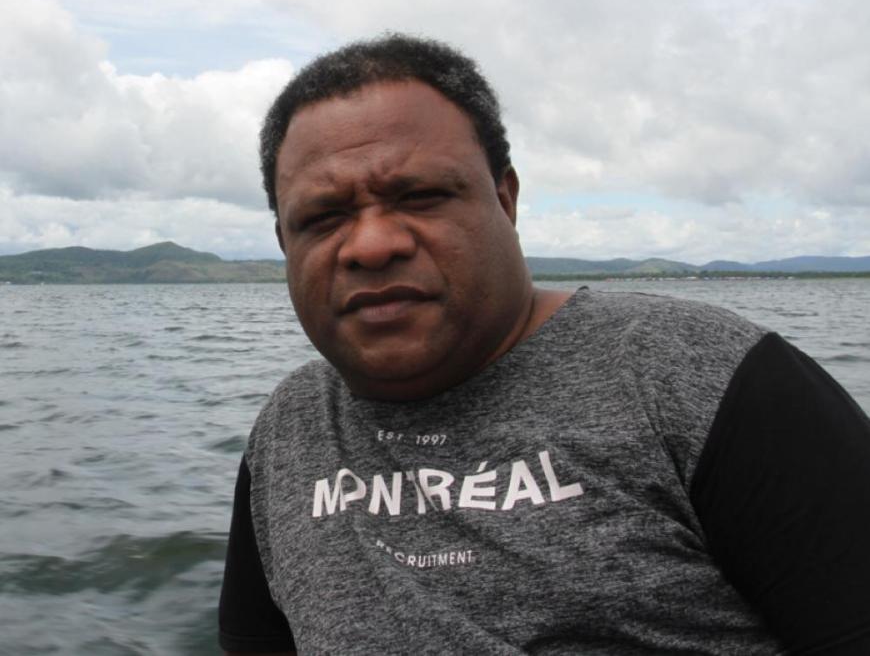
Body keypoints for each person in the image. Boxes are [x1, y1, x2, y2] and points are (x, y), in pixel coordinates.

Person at [219, 34, 870, 655]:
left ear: (505, 199)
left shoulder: (707, 379)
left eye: (419, 196)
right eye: (323, 217)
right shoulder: (289, 430)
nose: (371, 245)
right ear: (285, 244)